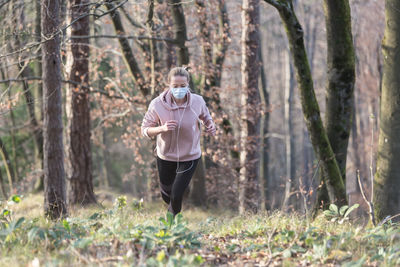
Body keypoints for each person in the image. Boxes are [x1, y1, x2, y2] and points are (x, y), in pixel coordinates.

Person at [141, 67, 216, 217]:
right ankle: (175, 206)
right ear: (169, 85)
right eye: (175, 86)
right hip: (165, 156)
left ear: (188, 84)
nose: (179, 89)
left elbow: (206, 117)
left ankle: (172, 224)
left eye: (182, 86)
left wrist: (211, 126)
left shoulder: (197, 101)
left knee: (176, 195)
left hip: (190, 156)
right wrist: (162, 128)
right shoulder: (157, 104)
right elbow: (144, 130)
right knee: (166, 196)